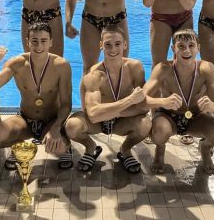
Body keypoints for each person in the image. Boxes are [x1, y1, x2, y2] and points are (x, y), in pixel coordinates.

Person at [0, 23, 74, 170]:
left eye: (44, 41)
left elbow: (66, 104)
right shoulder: (17, 63)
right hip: (25, 119)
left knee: (59, 149)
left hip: (51, 120)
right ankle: (19, 146)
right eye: (34, 41)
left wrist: (56, 128)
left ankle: (66, 146)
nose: (39, 46)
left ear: (51, 42)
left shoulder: (61, 66)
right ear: (27, 42)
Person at [64, 25, 151, 174]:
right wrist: (130, 101)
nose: (113, 49)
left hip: (122, 122)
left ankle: (125, 150)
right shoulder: (94, 73)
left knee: (145, 124)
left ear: (125, 44)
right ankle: (91, 148)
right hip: (97, 123)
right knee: (72, 126)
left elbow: (143, 107)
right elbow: (93, 114)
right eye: (108, 45)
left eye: (117, 44)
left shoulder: (135, 67)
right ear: (100, 45)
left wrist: (114, 112)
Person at [143, 29, 214, 174]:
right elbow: (141, 100)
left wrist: (213, 107)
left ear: (198, 48)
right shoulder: (163, 69)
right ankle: (160, 149)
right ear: (173, 49)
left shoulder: (206, 69)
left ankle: (205, 147)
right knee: (158, 134)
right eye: (181, 46)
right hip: (167, 116)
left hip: (196, 117)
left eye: (191, 45)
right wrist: (162, 102)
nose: (186, 50)